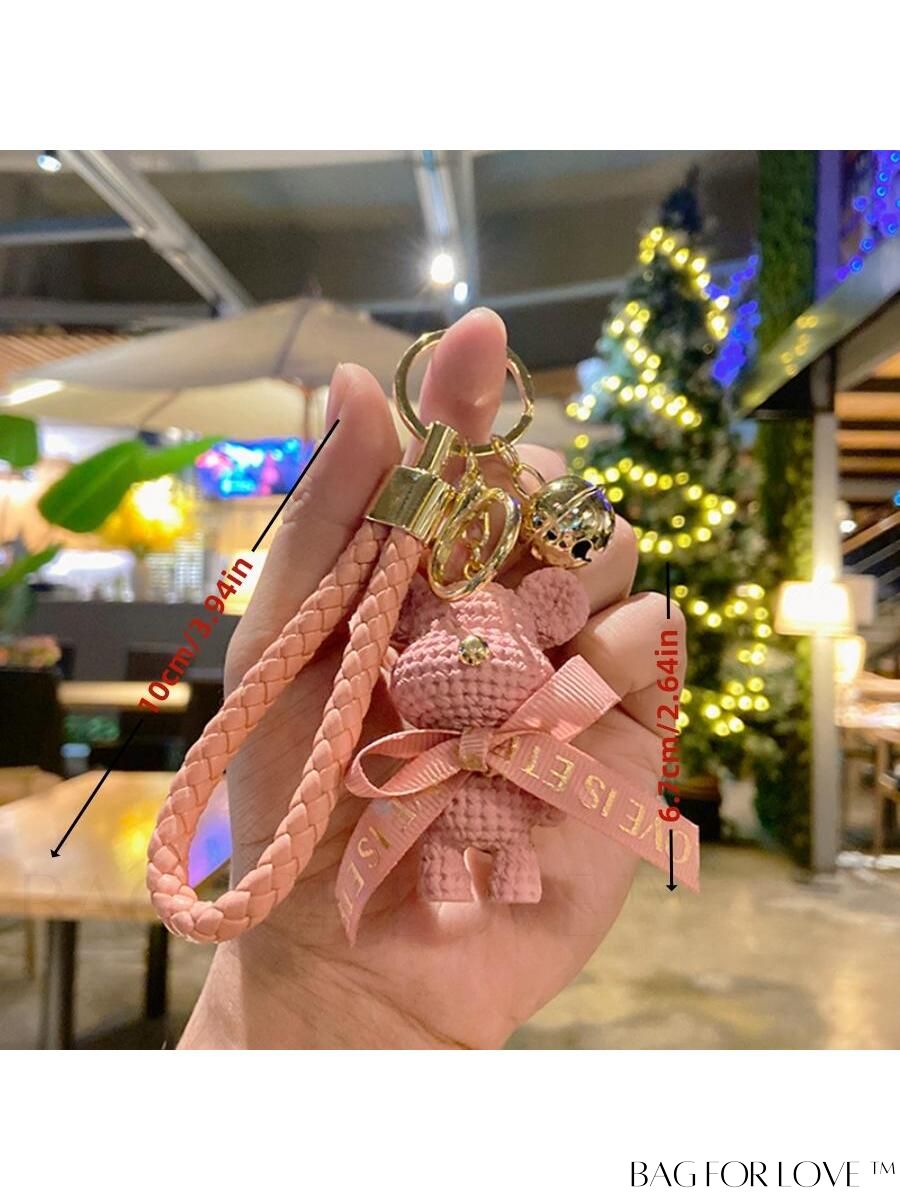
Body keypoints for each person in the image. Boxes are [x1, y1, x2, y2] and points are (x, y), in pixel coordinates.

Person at [179, 307, 683, 1049]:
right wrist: (305, 986)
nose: (473, 655)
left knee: (517, 835)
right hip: (319, 941)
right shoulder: (390, 724)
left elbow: (546, 800)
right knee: (445, 852)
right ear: (404, 634)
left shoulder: (508, 730)